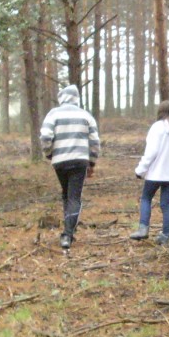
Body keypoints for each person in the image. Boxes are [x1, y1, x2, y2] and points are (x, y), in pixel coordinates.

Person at [40, 84, 100, 250]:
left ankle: (68, 231)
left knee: (66, 194)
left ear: (62, 98)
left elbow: (45, 137)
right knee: (74, 197)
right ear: (76, 98)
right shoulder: (86, 115)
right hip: (80, 161)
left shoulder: (53, 114)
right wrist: (92, 162)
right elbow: (95, 143)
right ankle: (67, 234)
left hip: (60, 161)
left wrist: (50, 154)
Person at [130, 101, 169, 247]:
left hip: (155, 174)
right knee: (166, 204)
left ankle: (143, 229)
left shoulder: (157, 127)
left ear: (160, 112)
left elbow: (151, 152)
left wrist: (140, 170)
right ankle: (165, 235)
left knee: (146, 198)